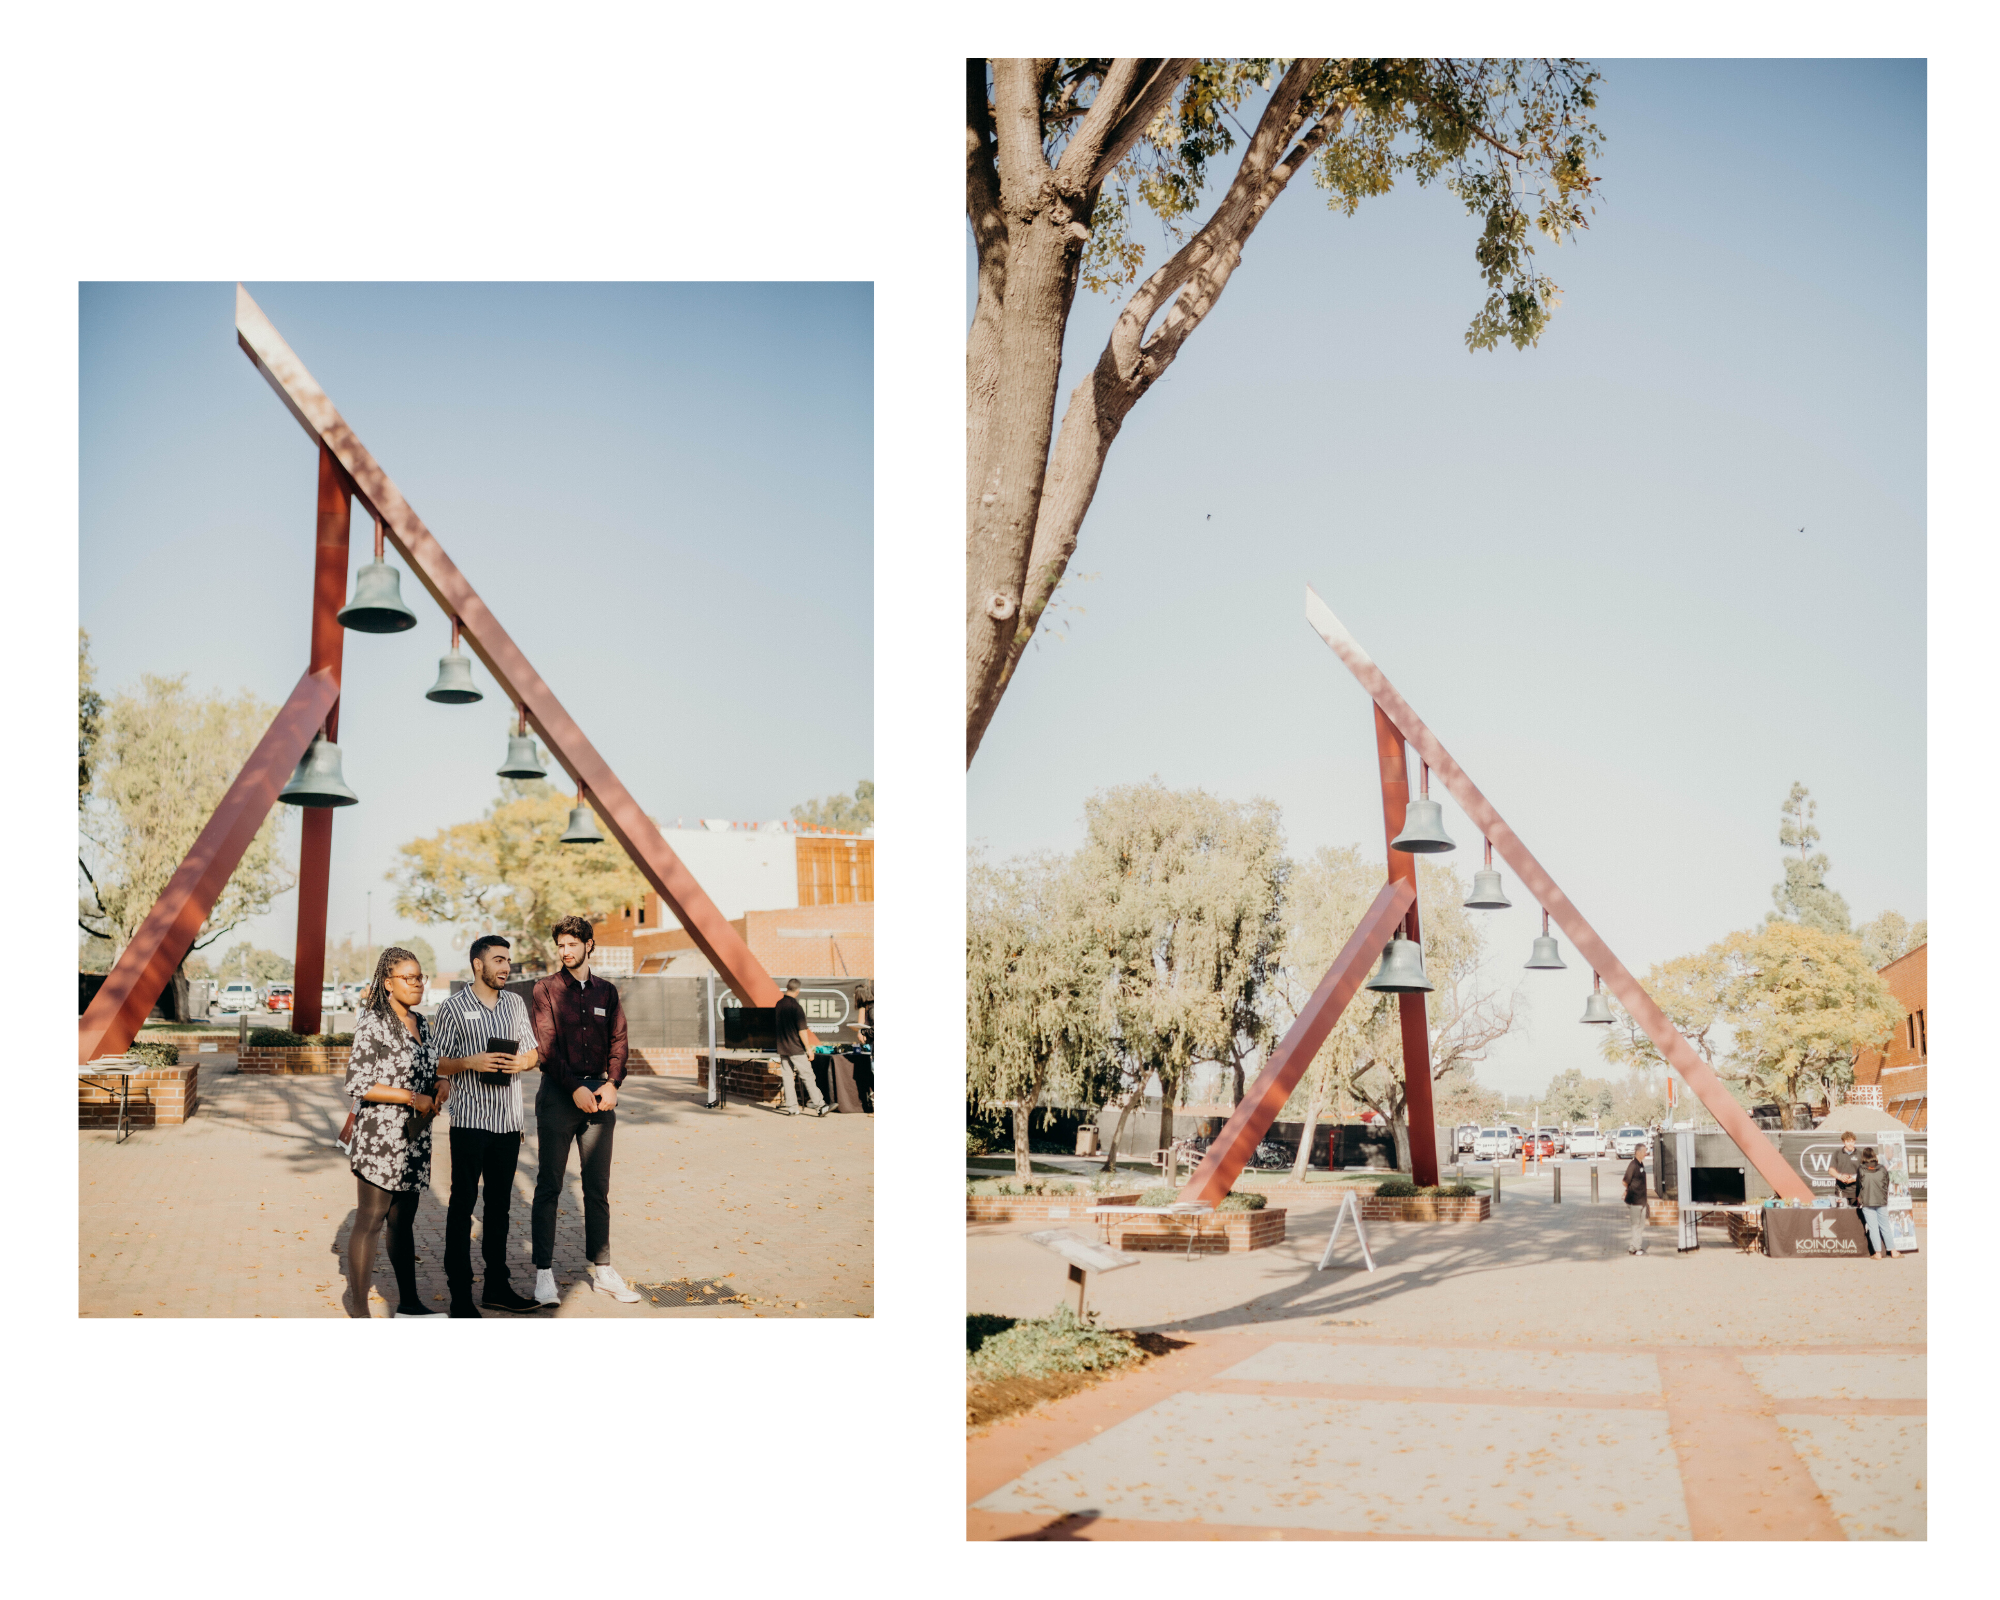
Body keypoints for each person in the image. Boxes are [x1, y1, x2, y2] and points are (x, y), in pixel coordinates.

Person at [529, 916, 640, 1304]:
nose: (566, 951)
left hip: (600, 1097)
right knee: (549, 1186)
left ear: (589, 945)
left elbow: (620, 1040)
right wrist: (574, 1087)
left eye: (573, 944)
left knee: (597, 1189)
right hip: (560, 1097)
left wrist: (612, 1083)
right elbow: (547, 1046)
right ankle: (544, 1274)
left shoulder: (607, 992)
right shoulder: (544, 989)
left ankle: (604, 1270)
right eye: (561, 945)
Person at [432, 935, 541, 1317]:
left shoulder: (514, 1003)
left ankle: (496, 1287)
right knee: (462, 1206)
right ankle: (461, 1296)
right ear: (478, 964)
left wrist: (521, 1064)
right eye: (498, 960)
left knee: (499, 1210)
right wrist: (469, 1063)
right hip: (470, 1123)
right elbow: (437, 1062)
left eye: (507, 960)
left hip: (509, 1125)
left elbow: (533, 1051)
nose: (505, 967)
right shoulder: (453, 1008)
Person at [341, 947, 444, 1318]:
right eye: (409, 977)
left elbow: (429, 1062)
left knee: (403, 1221)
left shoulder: (423, 1022)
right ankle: (358, 1308)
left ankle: (410, 1303)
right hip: (380, 1137)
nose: (417, 984)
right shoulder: (374, 1023)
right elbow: (358, 1082)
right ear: (388, 983)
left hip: (414, 1138)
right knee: (371, 1218)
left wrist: (441, 1081)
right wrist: (410, 1096)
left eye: (420, 977)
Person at [772, 977, 827, 1116]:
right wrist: (809, 1049)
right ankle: (820, 1106)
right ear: (798, 990)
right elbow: (802, 1030)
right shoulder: (796, 1007)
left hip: (783, 1047)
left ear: (787, 987)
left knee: (787, 1077)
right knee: (807, 1076)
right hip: (796, 1048)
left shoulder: (778, 1004)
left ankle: (792, 1108)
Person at [1855, 1146, 1900, 1259]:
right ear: (1875, 1156)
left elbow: (1858, 1186)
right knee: (1885, 1226)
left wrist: (1858, 1198)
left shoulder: (1861, 1169)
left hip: (1867, 1201)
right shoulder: (1882, 1168)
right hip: (1881, 1201)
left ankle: (1878, 1254)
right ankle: (1893, 1252)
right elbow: (1887, 1183)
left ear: (1863, 1157)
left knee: (1873, 1228)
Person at [1623, 1136, 1650, 1255]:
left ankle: (1635, 1246)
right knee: (1635, 1225)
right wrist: (1628, 1190)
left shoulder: (1641, 1165)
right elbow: (1625, 1181)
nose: (1645, 1153)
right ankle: (1635, 1248)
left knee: (1641, 1226)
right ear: (1637, 1152)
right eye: (1644, 1152)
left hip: (1642, 1201)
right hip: (1634, 1201)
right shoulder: (1633, 1165)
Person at [1827, 1130, 1861, 1207]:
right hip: (1840, 1190)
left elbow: (1865, 1172)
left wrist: (1855, 1178)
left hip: (1856, 1191)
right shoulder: (1837, 1153)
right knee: (1842, 1216)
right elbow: (1831, 1170)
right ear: (1844, 1142)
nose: (1850, 1144)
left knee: (1855, 1216)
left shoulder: (1860, 1154)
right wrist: (1840, 1176)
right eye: (1848, 1141)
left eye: (1852, 1141)